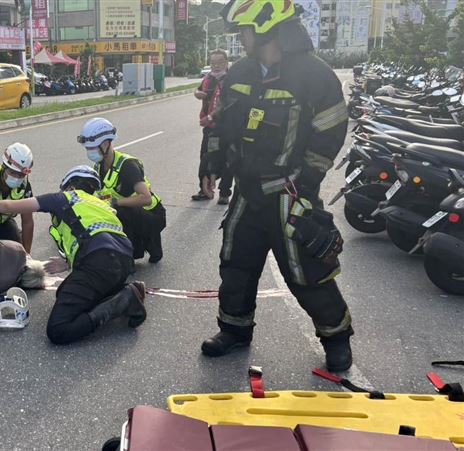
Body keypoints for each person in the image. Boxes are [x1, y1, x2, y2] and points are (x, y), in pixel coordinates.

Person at [202, 0, 353, 372]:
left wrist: (307, 179)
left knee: (307, 270)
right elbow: (221, 123)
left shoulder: (314, 75)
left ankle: (336, 337)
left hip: (291, 192)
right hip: (247, 191)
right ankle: (234, 330)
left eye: (245, 31)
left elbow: (332, 130)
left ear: (266, 28)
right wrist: (213, 164)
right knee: (236, 263)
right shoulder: (240, 72)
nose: (241, 38)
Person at [0, 165, 147, 345]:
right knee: (63, 291)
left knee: (58, 330)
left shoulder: (65, 198)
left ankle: (122, 301)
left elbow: (10, 205)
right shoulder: (102, 205)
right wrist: (68, 262)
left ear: (69, 185)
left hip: (97, 263)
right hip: (122, 262)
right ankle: (124, 291)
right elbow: (98, 235)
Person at [78, 117, 166, 263]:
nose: (89, 152)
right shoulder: (98, 166)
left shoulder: (127, 166)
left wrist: (115, 202)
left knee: (120, 212)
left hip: (151, 214)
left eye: (92, 148)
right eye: (88, 148)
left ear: (106, 143)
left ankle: (127, 257)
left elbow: (146, 198)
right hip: (132, 213)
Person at [0, 142, 35, 253]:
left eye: (21, 175)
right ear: (4, 167)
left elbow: (27, 221)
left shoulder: (24, 186)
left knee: (19, 251)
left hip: (2, 224)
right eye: (13, 173)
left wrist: (27, 254)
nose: (17, 178)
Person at [192, 49, 233, 205]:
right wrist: (197, 93)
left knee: (227, 159)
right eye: (213, 63)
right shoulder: (208, 78)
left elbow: (227, 103)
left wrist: (210, 117)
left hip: (226, 127)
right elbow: (198, 89)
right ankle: (204, 190)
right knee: (205, 157)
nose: (216, 66)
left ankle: (224, 192)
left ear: (226, 62)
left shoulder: (231, 79)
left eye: (219, 62)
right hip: (210, 128)